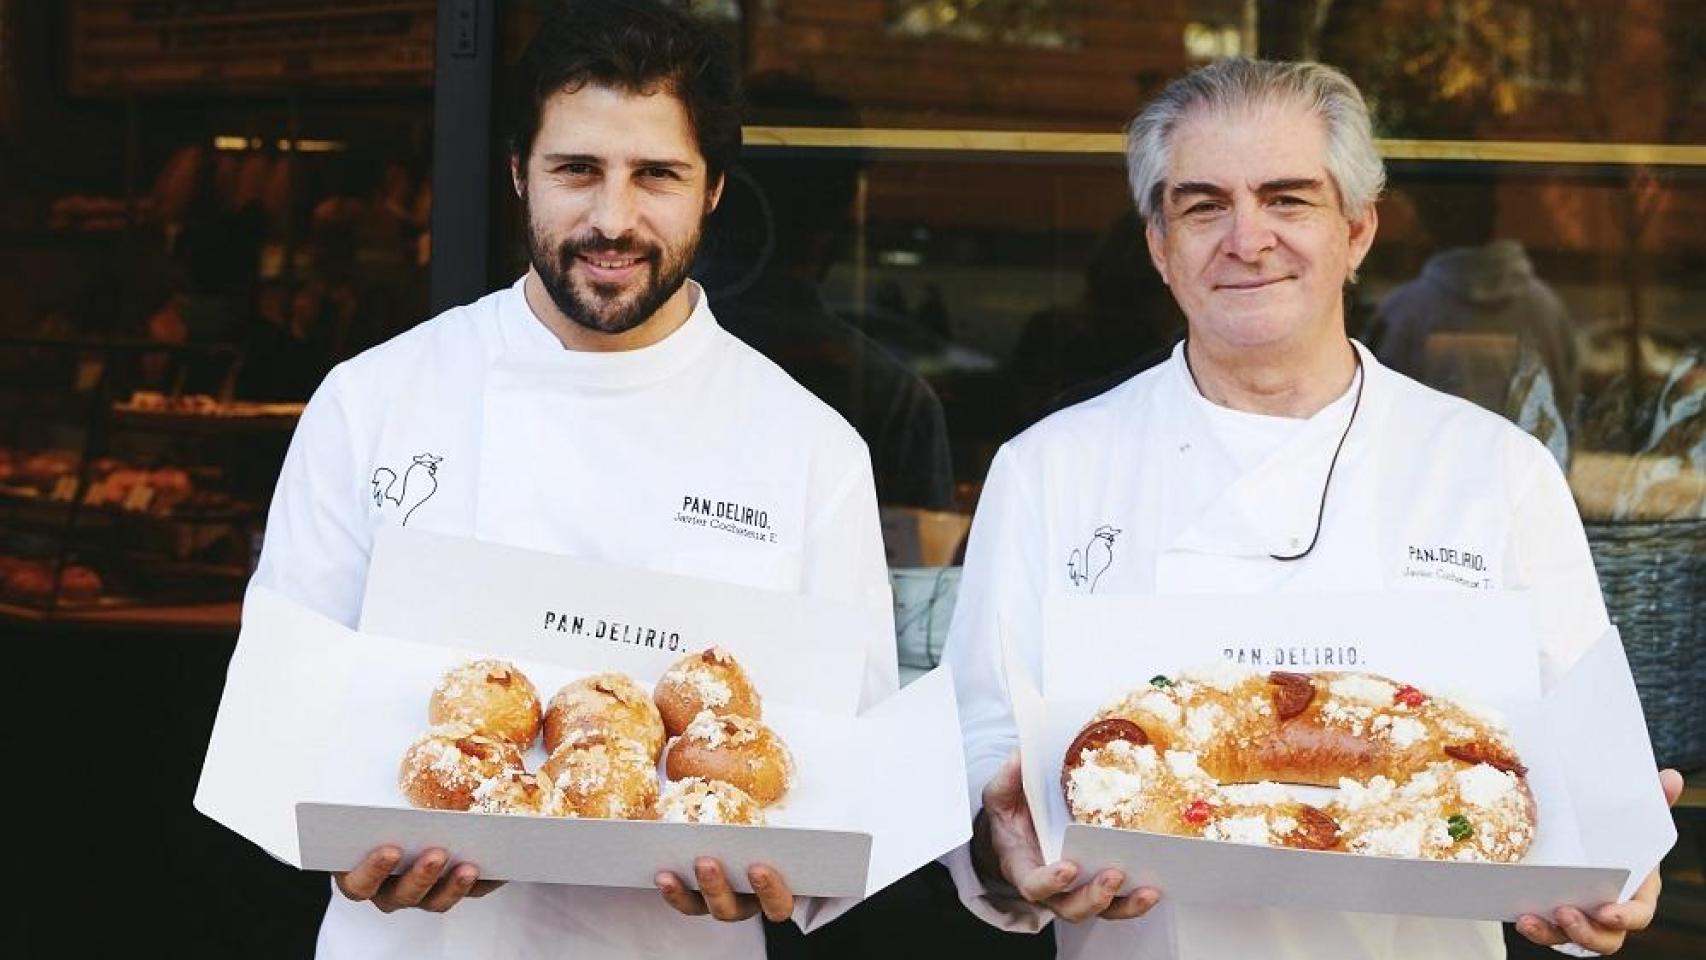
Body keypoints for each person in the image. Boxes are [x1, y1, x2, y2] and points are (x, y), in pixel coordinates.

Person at [940, 58, 1681, 959]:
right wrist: (998, 844)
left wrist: (1610, 869)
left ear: (1358, 230)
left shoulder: (1492, 469)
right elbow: (983, 745)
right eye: (1203, 205)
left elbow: (1577, 753)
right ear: (1158, 245)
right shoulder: (1049, 470)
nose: (1247, 238)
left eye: (1288, 199)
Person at [249, 2, 895, 956]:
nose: (612, 219)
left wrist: (780, 879)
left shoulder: (809, 446)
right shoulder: (375, 399)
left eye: (658, 176)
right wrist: (330, 839)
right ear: (518, 172)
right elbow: (281, 715)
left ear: (714, 189)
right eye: (577, 170)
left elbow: (855, 778)